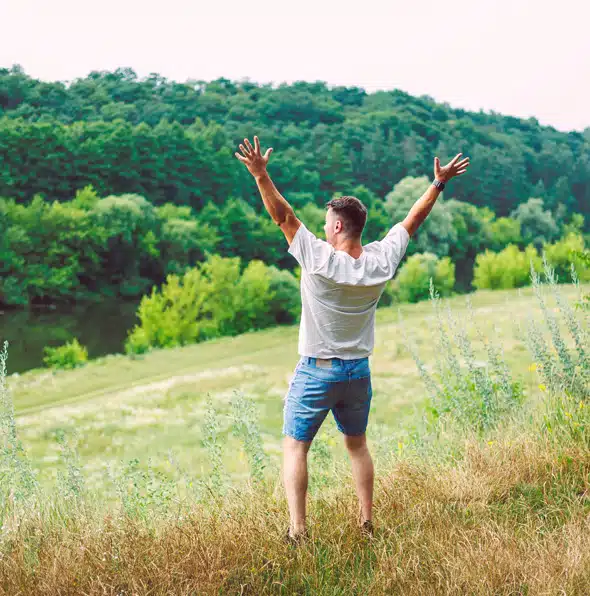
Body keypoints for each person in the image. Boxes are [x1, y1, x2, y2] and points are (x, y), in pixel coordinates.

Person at [235, 136, 469, 543]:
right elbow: (413, 220)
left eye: (327, 223)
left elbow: (282, 216)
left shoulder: (319, 259)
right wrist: (438, 184)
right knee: (357, 446)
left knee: (295, 447)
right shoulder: (381, 261)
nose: (323, 228)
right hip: (357, 372)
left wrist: (260, 174)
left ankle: (298, 531)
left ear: (338, 225)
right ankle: (365, 524)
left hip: (316, 370)